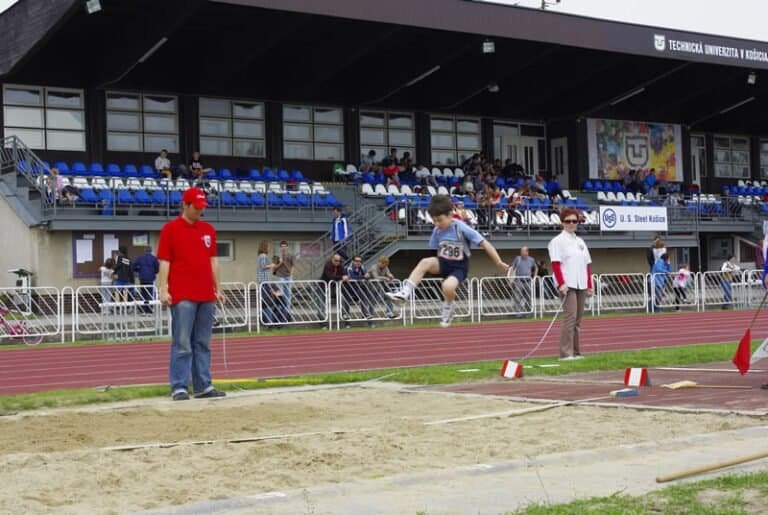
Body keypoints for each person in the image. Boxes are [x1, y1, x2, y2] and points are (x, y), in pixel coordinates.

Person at [386, 194, 509, 327]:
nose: (437, 224)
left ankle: (449, 305)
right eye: (434, 221)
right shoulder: (437, 231)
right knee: (424, 262)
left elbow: (485, 244)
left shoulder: (460, 227)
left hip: (459, 266)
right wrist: (427, 270)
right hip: (443, 262)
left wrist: (498, 262)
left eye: (439, 220)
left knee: (447, 287)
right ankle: (405, 293)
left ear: (450, 215)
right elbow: (433, 251)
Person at [157, 187, 226, 401]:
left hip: (206, 293)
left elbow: (213, 261)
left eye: (202, 207)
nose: (199, 211)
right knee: (182, 342)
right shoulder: (170, 229)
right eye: (196, 207)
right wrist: (163, 288)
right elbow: (165, 261)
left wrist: (218, 288)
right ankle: (179, 386)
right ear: (185, 205)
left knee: (202, 342)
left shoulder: (208, 230)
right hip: (183, 294)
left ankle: (203, 384)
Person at [548, 207, 592, 360]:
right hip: (568, 285)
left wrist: (589, 284)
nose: (572, 224)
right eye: (568, 221)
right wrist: (561, 284)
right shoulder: (557, 241)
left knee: (578, 320)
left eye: (575, 221)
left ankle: (576, 352)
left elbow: (587, 264)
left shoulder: (580, 242)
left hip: (581, 284)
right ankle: (565, 353)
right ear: (562, 223)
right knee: (570, 318)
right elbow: (555, 264)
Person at [341, 256, 374, 328]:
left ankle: (369, 321)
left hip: (358, 289)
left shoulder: (362, 267)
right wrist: (363, 277)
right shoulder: (347, 267)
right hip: (347, 289)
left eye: (360, 261)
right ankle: (347, 323)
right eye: (356, 261)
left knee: (365, 300)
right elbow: (351, 277)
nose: (358, 262)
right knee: (345, 305)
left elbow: (367, 276)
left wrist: (367, 276)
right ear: (352, 261)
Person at [510, 246, 538, 314]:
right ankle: (518, 313)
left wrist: (534, 277)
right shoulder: (517, 258)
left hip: (528, 281)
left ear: (527, 252)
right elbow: (512, 268)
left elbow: (536, 268)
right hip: (519, 281)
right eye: (521, 251)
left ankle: (528, 312)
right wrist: (510, 279)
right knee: (517, 297)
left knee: (529, 297)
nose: (521, 252)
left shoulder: (531, 259)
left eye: (523, 251)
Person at [132, 246, 159, 314]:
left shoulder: (140, 258)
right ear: (151, 251)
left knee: (143, 294)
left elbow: (133, 265)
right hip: (150, 279)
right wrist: (153, 272)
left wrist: (138, 270)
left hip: (142, 278)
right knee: (149, 294)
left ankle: (143, 310)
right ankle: (149, 310)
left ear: (144, 250)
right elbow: (157, 269)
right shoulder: (154, 258)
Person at [273, 240, 295, 318]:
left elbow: (293, 266)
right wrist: (280, 262)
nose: (283, 248)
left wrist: (291, 275)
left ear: (287, 247)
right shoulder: (277, 256)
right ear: (280, 247)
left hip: (288, 276)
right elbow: (274, 267)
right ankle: (279, 311)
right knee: (280, 293)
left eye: (285, 246)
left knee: (288, 294)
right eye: (282, 247)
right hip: (280, 276)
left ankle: (287, 312)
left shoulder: (291, 255)